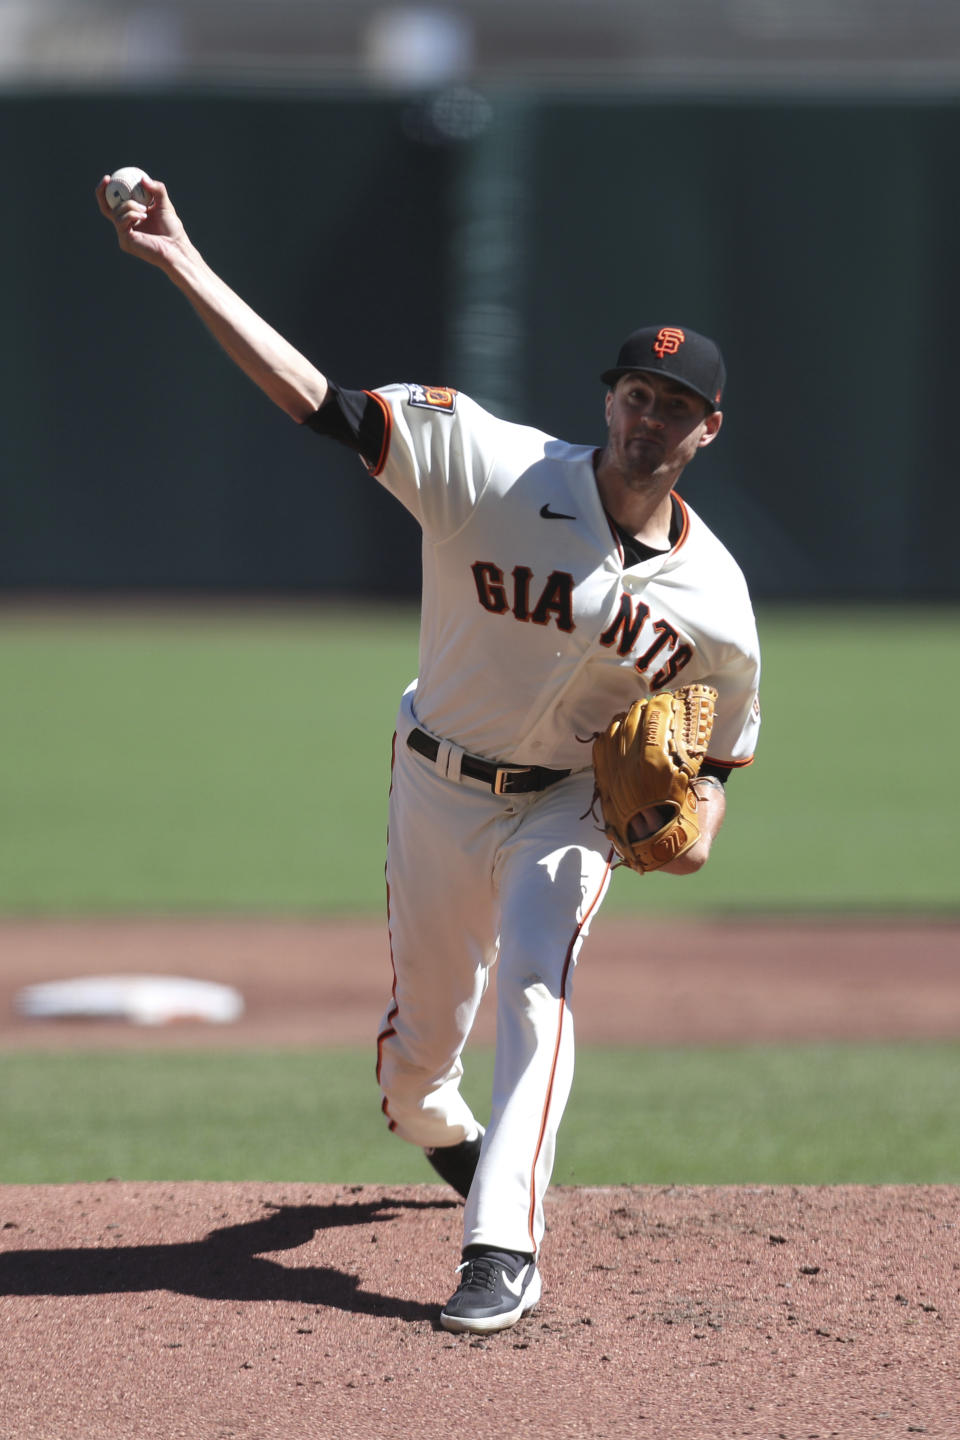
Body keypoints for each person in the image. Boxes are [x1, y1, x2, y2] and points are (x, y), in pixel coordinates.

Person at [96, 174, 761, 1336]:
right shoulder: (492, 471)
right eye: (633, 393)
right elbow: (323, 404)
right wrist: (182, 261)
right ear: (607, 402)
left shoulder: (718, 601)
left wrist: (697, 822)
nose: (646, 418)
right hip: (435, 786)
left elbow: (719, 756)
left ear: (707, 430)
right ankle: (446, 1133)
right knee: (414, 1077)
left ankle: (502, 1245)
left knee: (539, 990)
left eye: (673, 405)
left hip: (566, 808)